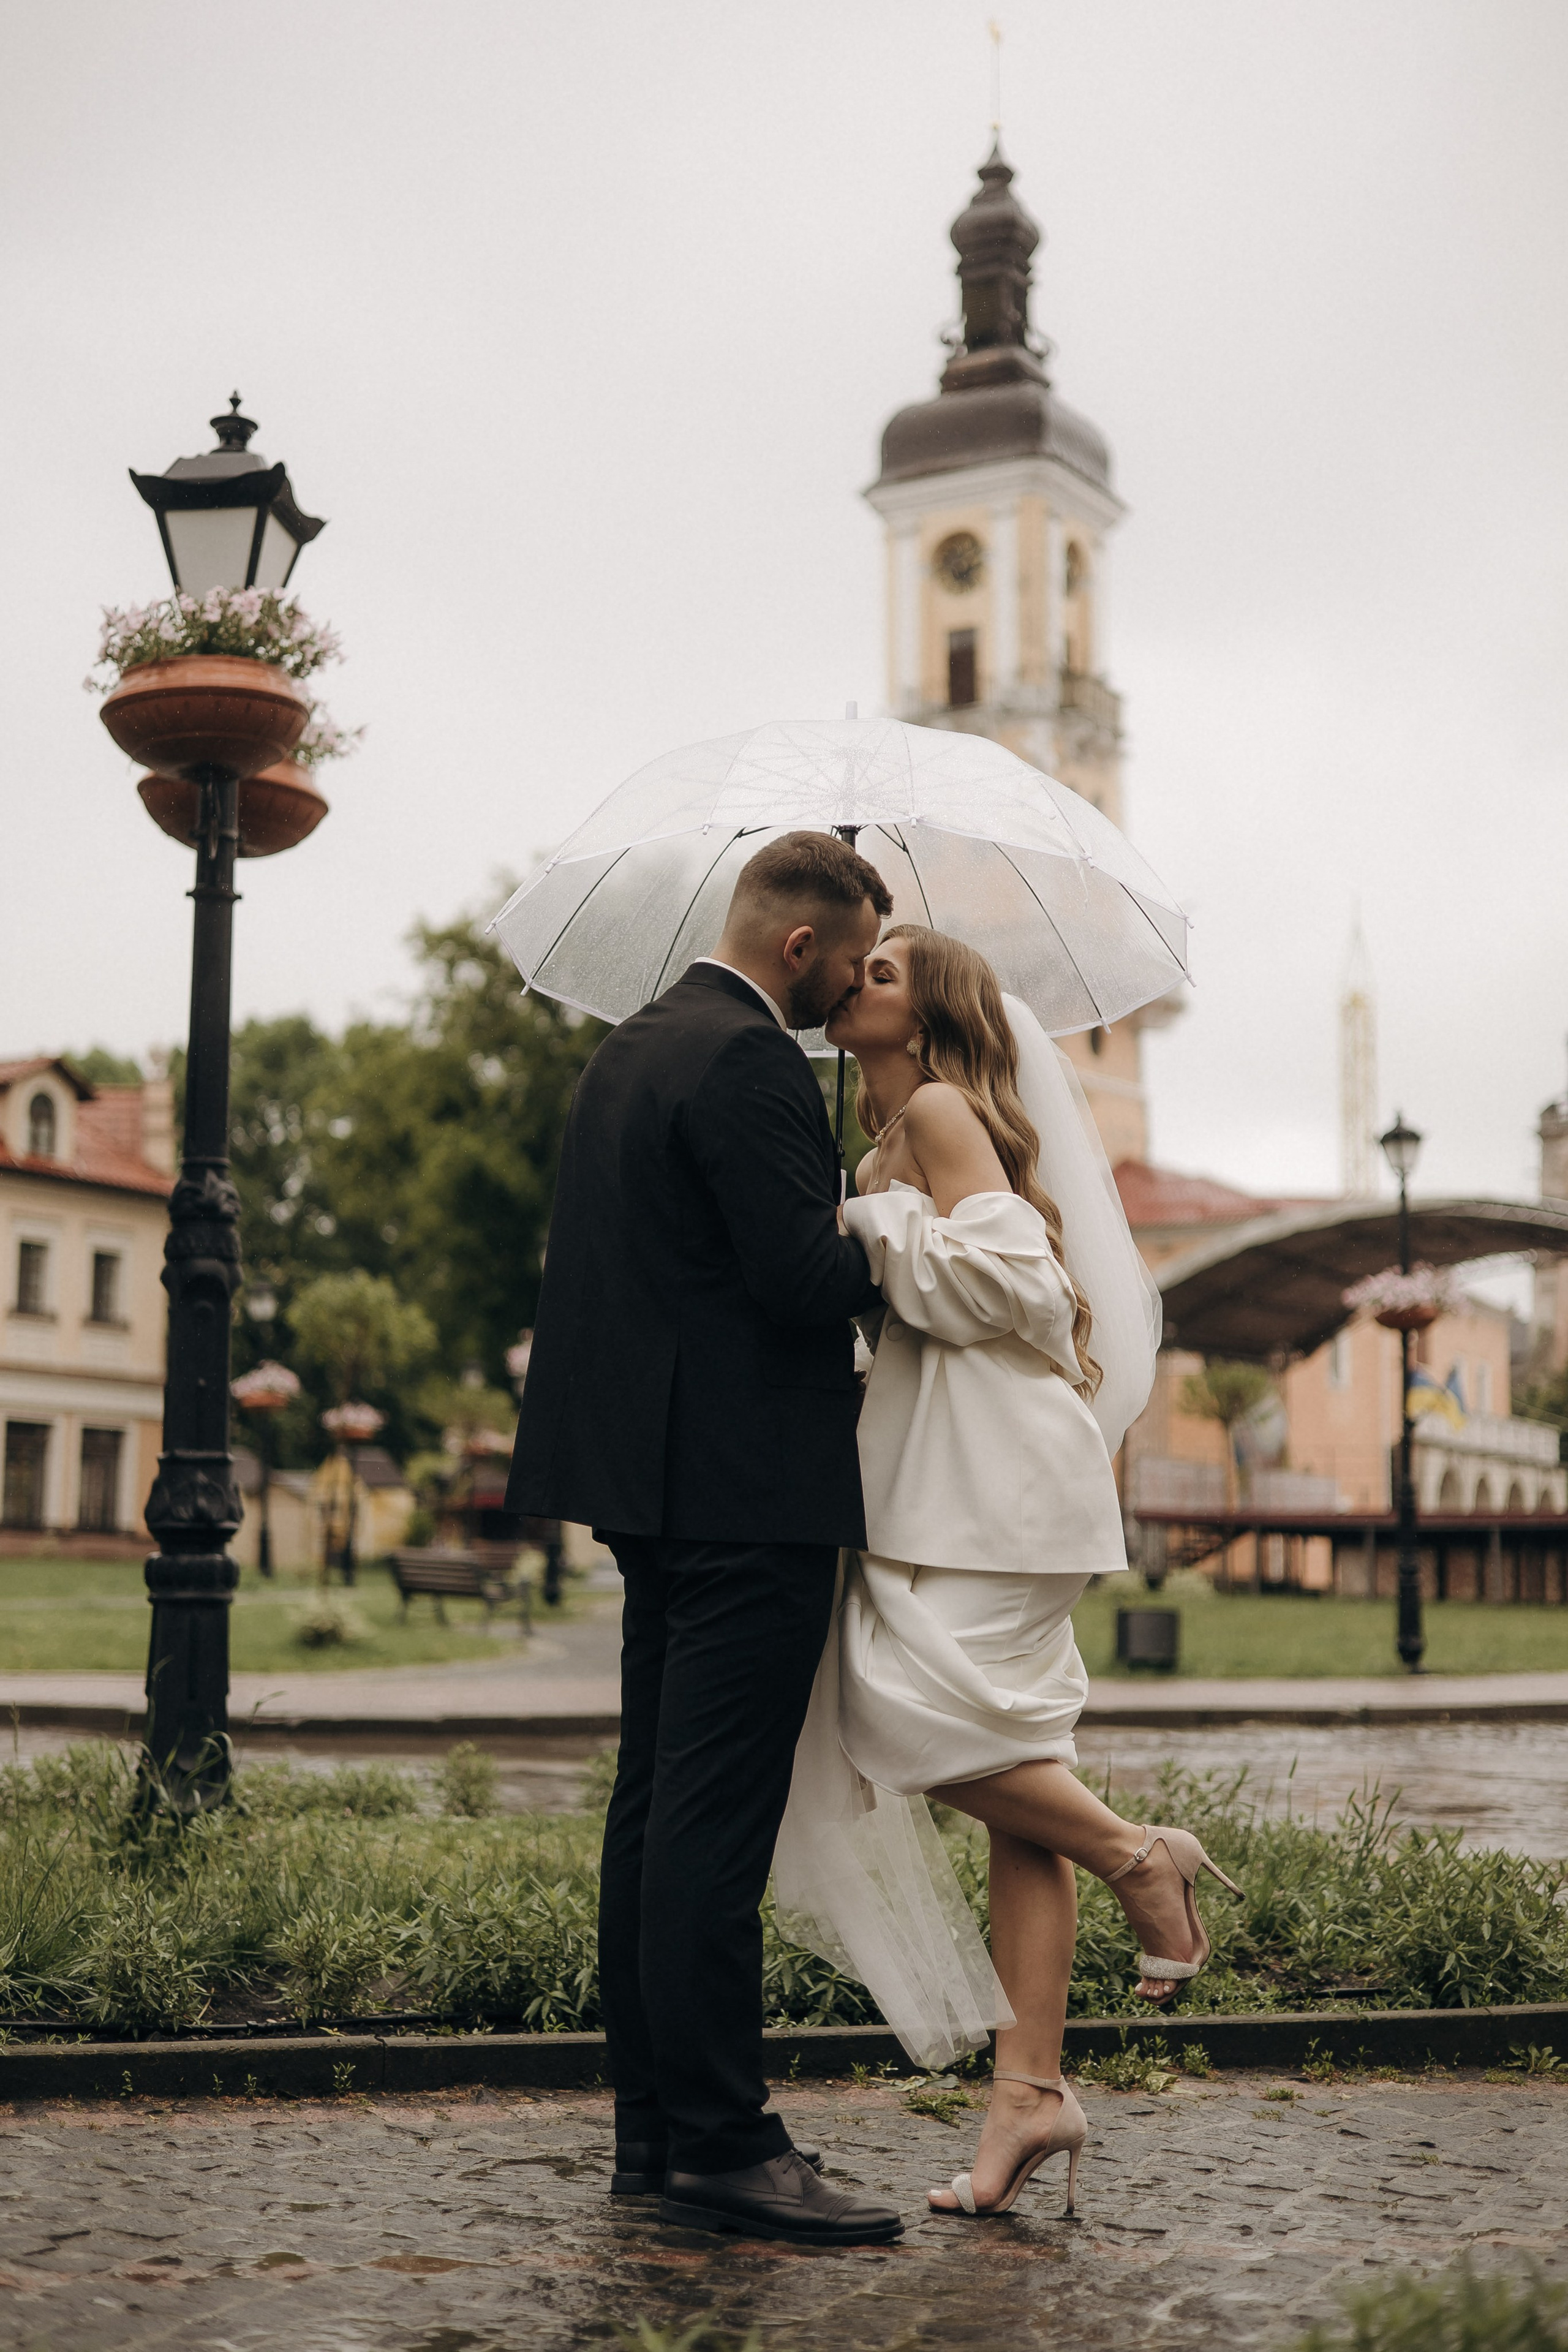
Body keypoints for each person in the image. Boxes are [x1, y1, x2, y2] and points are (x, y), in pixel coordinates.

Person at [774, 925, 1242, 2222]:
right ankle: (1027, 2094)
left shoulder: (929, 1111)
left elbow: (1020, 1286)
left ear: (927, 1021)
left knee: (890, 1716)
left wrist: (864, 1227)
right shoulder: (888, 1134)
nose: (848, 980)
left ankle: (1139, 1856)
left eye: (878, 973)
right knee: (1005, 1786)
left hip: (996, 1492)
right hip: (970, 1484)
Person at [506, 831, 905, 2247]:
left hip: (654, 1485)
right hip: (748, 1488)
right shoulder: (749, 1062)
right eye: (853, 960)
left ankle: (653, 2133)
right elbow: (798, 1282)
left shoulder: (628, 1047)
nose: (853, 986)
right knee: (709, 1828)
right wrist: (891, 1226)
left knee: (652, 1812)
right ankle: (728, 2145)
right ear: (799, 946)